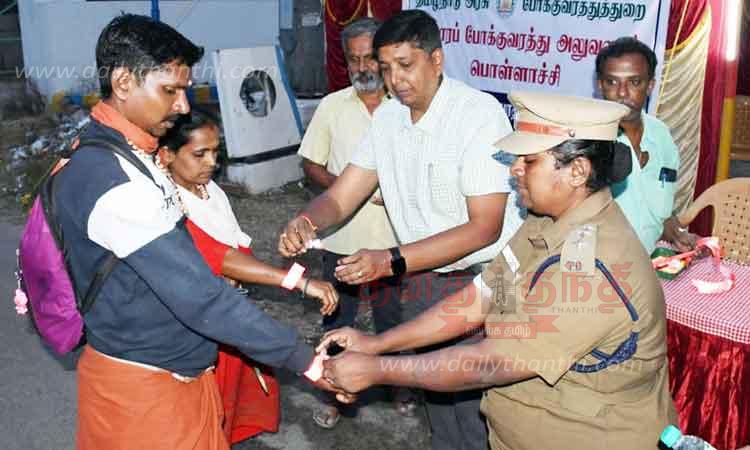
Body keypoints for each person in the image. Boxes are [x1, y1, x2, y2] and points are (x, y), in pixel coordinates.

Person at [319, 91, 679, 450]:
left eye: (529, 160)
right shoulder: (546, 222)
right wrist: (378, 345)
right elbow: (484, 296)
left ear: (577, 171)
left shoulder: (593, 268)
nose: (515, 169)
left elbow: (486, 363)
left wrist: (378, 370)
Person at [53, 14, 347, 450]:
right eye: (170, 90)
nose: (183, 106)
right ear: (123, 82)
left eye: (185, 90)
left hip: (156, 381)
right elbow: (202, 298)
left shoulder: (107, 151)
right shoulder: (114, 180)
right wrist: (307, 361)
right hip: (148, 401)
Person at [279, 9, 521, 450]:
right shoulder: (390, 118)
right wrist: (307, 220)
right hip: (428, 278)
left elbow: (485, 228)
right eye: (386, 67)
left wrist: (389, 260)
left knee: (483, 407)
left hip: (490, 280)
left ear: (437, 59)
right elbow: (342, 195)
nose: (395, 79)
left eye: (406, 65)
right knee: (438, 399)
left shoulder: (478, 115)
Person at [156, 111, 339, 444]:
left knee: (231, 398)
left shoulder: (209, 189)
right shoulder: (165, 203)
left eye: (216, 152)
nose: (212, 163)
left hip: (227, 311)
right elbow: (220, 257)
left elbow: (237, 248)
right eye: (200, 154)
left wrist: (284, 267)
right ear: (167, 155)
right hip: (197, 324)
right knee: (201, 412)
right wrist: (299, 282)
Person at [297, 17, 411, 428]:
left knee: (392, 321)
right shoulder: (333, 106)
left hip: (394, 240)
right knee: (337, 320)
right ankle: (333, 393)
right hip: (341, 238)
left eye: (369, 58)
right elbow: (311, 164)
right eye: (353, 59)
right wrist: (348, 190)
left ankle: (398, 388)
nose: (362, 67)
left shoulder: (406, 108)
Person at [595, 36, 695, 254]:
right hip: (598, 265)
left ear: (650, 86)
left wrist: (677, 234)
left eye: (634, 82)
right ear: (600, 85)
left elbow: (660, 213)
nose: (622, 93)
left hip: (649, 260)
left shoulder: (661, 136)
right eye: (612, 82)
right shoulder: (588, 141)